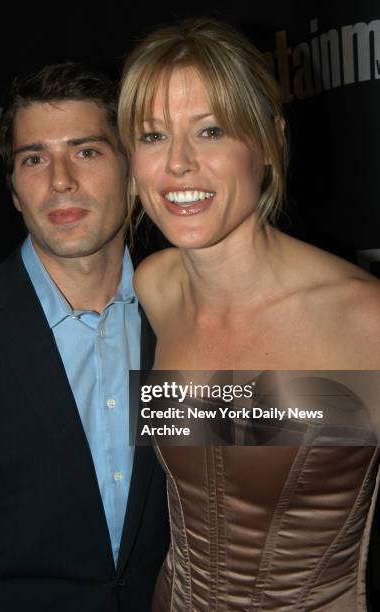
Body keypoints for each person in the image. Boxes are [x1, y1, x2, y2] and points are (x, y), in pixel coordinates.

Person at [117, 18, 380, 611]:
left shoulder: (367, 320)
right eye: (153, 137)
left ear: (267, 142)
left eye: (210, 131)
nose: (179, 165)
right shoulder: (156, 287)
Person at [0, 63, 168, 612]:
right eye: (34, 158)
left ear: (132, 171)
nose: (60, 179)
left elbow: (304, 450)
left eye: (86, 151)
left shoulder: (185, 319)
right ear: (15, 191)